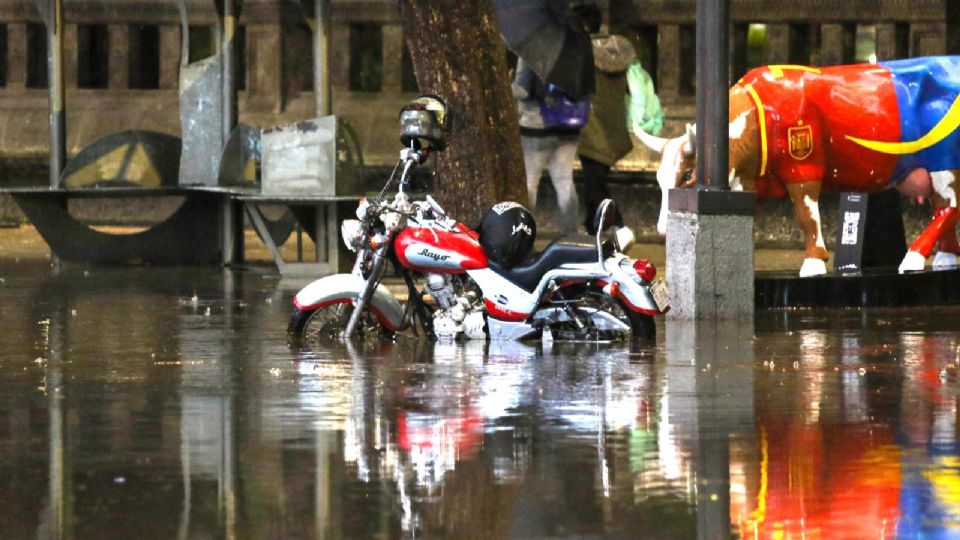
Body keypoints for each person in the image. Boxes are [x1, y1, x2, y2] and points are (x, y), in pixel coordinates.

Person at [573, 3, 664, 234]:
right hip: (612, 128)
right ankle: (591, 229)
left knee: (595, 184)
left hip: (592, 129)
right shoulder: (617, 49)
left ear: (582, 27)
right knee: (592, 181)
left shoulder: (581, 54)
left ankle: (620, 228)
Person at [512, 58, 582, 236]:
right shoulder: (572, 55)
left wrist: (508, 83)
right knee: (565, 182)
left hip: (536, 127)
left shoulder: (531, 53)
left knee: (530, 182)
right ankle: (570, 233)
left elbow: (522, 90)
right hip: (567, 127)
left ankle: (522, 232)